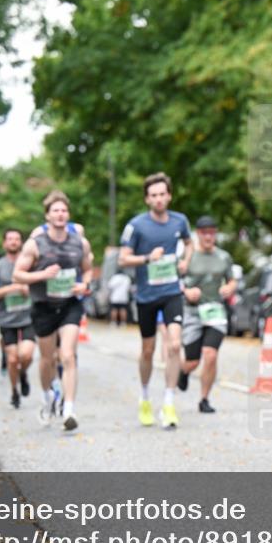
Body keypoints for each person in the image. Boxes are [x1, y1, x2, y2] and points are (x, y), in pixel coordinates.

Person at [118, 172, 193, 429]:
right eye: (153, 196)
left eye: (162, 194)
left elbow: (189, 243)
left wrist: (185, 261)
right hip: (146, 295)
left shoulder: (180, 221)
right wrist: (147, 258)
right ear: (147, 199)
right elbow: (123, 259)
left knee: (174, 345)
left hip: (171, 291)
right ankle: (145, 396)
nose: (159, 199)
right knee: (148, 350)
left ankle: (169, 402)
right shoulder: (136, 226)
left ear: (169, 196)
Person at [14, 190, 92, 431]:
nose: (60, 214)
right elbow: (17, 274)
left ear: (68, 215)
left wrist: (85, 284)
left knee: (68, 355)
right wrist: (42, 275)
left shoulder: (79, 242)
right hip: (43, 306)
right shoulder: (35, 244)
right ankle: (48, 396)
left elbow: (88, 267)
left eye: (64, 210)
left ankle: (68, 409)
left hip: (70, 304)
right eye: (55, 210)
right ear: (47, 216)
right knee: (47, 359)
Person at [176, 216, 237, 413]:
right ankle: (183, 372)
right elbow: (175, 281)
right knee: (193, 361)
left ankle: (204, 399)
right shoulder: (188, 257)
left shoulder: (224, 257)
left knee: (210, 355)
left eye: (212, 232)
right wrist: (186, 292)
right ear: (198, 234)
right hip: (192, 312)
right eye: (204, 232)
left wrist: (229, 288)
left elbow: (232, 280)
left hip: (215, 311)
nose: (209, 236)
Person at [0, 229, 36, 409]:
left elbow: (41, 285)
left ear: (21, 243)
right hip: (7, 320)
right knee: (13, 359)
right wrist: (11, 288)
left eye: (17, 239)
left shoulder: (30, 264)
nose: (14, 242)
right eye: (10, 239)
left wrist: (27, 288)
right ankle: (15, 390)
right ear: (4, 243)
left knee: (26, 355)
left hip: (29, 317)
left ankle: (23, 374)